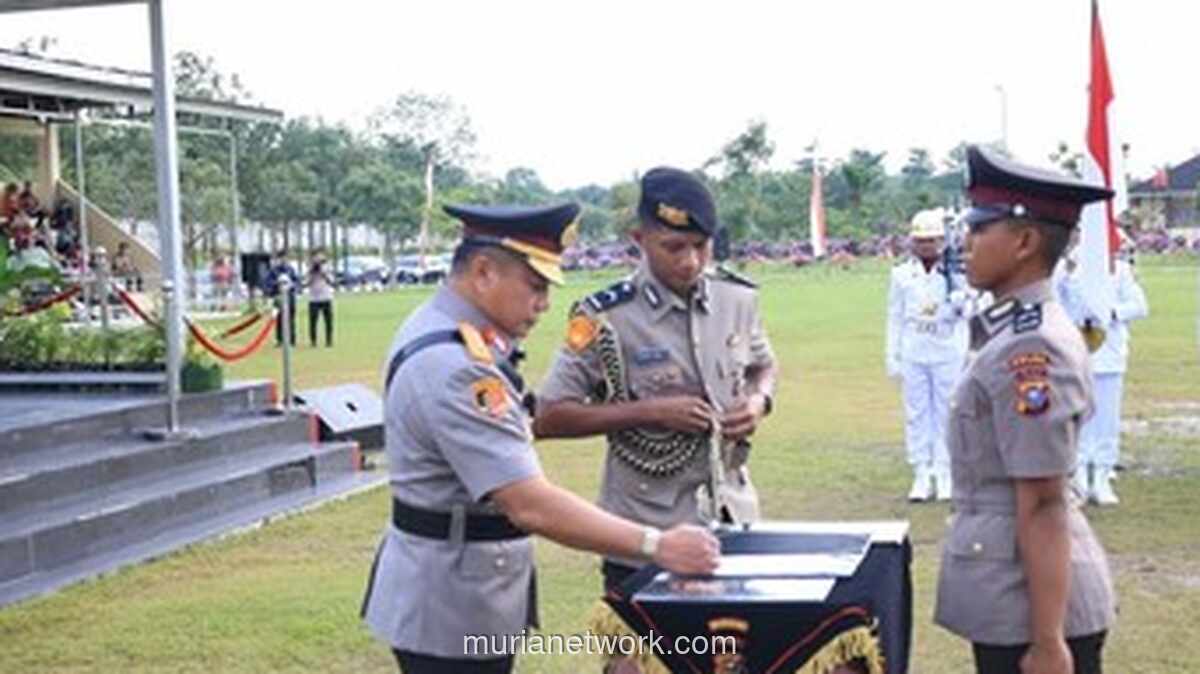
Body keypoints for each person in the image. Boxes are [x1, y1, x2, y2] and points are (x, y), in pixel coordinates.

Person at [361, 201, 720, 674]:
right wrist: (659, 545)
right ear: (485, 272)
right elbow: (529, 503)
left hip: (455, 586)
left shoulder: (446, 330)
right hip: (451, 605)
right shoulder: (458, 367)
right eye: (535, 285)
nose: (544, 303)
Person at [534, 168, 776, 607]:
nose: (690, 262)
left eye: (701, 247)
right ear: (638, 239)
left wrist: (759, 401)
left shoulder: (736, 298)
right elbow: (547, 416)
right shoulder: (602, 317)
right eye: (674, 247)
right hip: (644, 530)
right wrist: (649, 412)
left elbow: (763, 366)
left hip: (732, 517)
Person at [934, 145, 1116, 674]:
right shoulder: (1010, 332)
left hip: (1031, 609)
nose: (964, 241)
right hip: (1011, 594)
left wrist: (1048, 641)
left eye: (979, 227)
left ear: (1024, 241)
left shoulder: (1030, 350)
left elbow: (1042, 502)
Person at [1053, 232, 1148, 505]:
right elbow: (1051, 299)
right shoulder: (1069, 267)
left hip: (1109, 353)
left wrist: (1114, 312)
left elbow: (1140, 306)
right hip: (1076, 353)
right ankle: (1079, 474)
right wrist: (1066, 271)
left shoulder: (1119, 271)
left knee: (1106, 418)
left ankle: (1103, 476)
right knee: (1078, 416)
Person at [885, 207, 972, 501]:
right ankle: (922, 472)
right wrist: (892, 355)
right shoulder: (901, 274)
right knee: (917, 413)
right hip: (914, 348)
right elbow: (895, 315)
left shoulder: (957, 273)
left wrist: (961, 304)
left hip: (947, 349)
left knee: (947, 412)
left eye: (931, 240)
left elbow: (973, 311)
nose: (926, 246)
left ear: (942, 241)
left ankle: (945, 471)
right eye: (921, 241)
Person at [264, 249, 299, 347]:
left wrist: (292, 285)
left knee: (290, 319)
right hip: (278, 297)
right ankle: (280, 340)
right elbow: (268, 283)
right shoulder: (273, 270)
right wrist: (277, 284)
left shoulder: (291, 270)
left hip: (290, 297)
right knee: (279, 319)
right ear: (279, 259)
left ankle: (292, 340)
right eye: (282, 258)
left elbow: (297, 282)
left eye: (286, 258)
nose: (284, 260)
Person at [306, 252, 335, 347]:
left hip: (326, 297)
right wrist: (312, 274)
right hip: (314, 299)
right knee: (313, 321)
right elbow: (307, 283)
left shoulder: (327, 269)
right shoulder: (310, 270)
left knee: (328, 321)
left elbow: (332, 281)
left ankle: (329, 340)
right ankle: (313, 341)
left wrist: (324, 273)